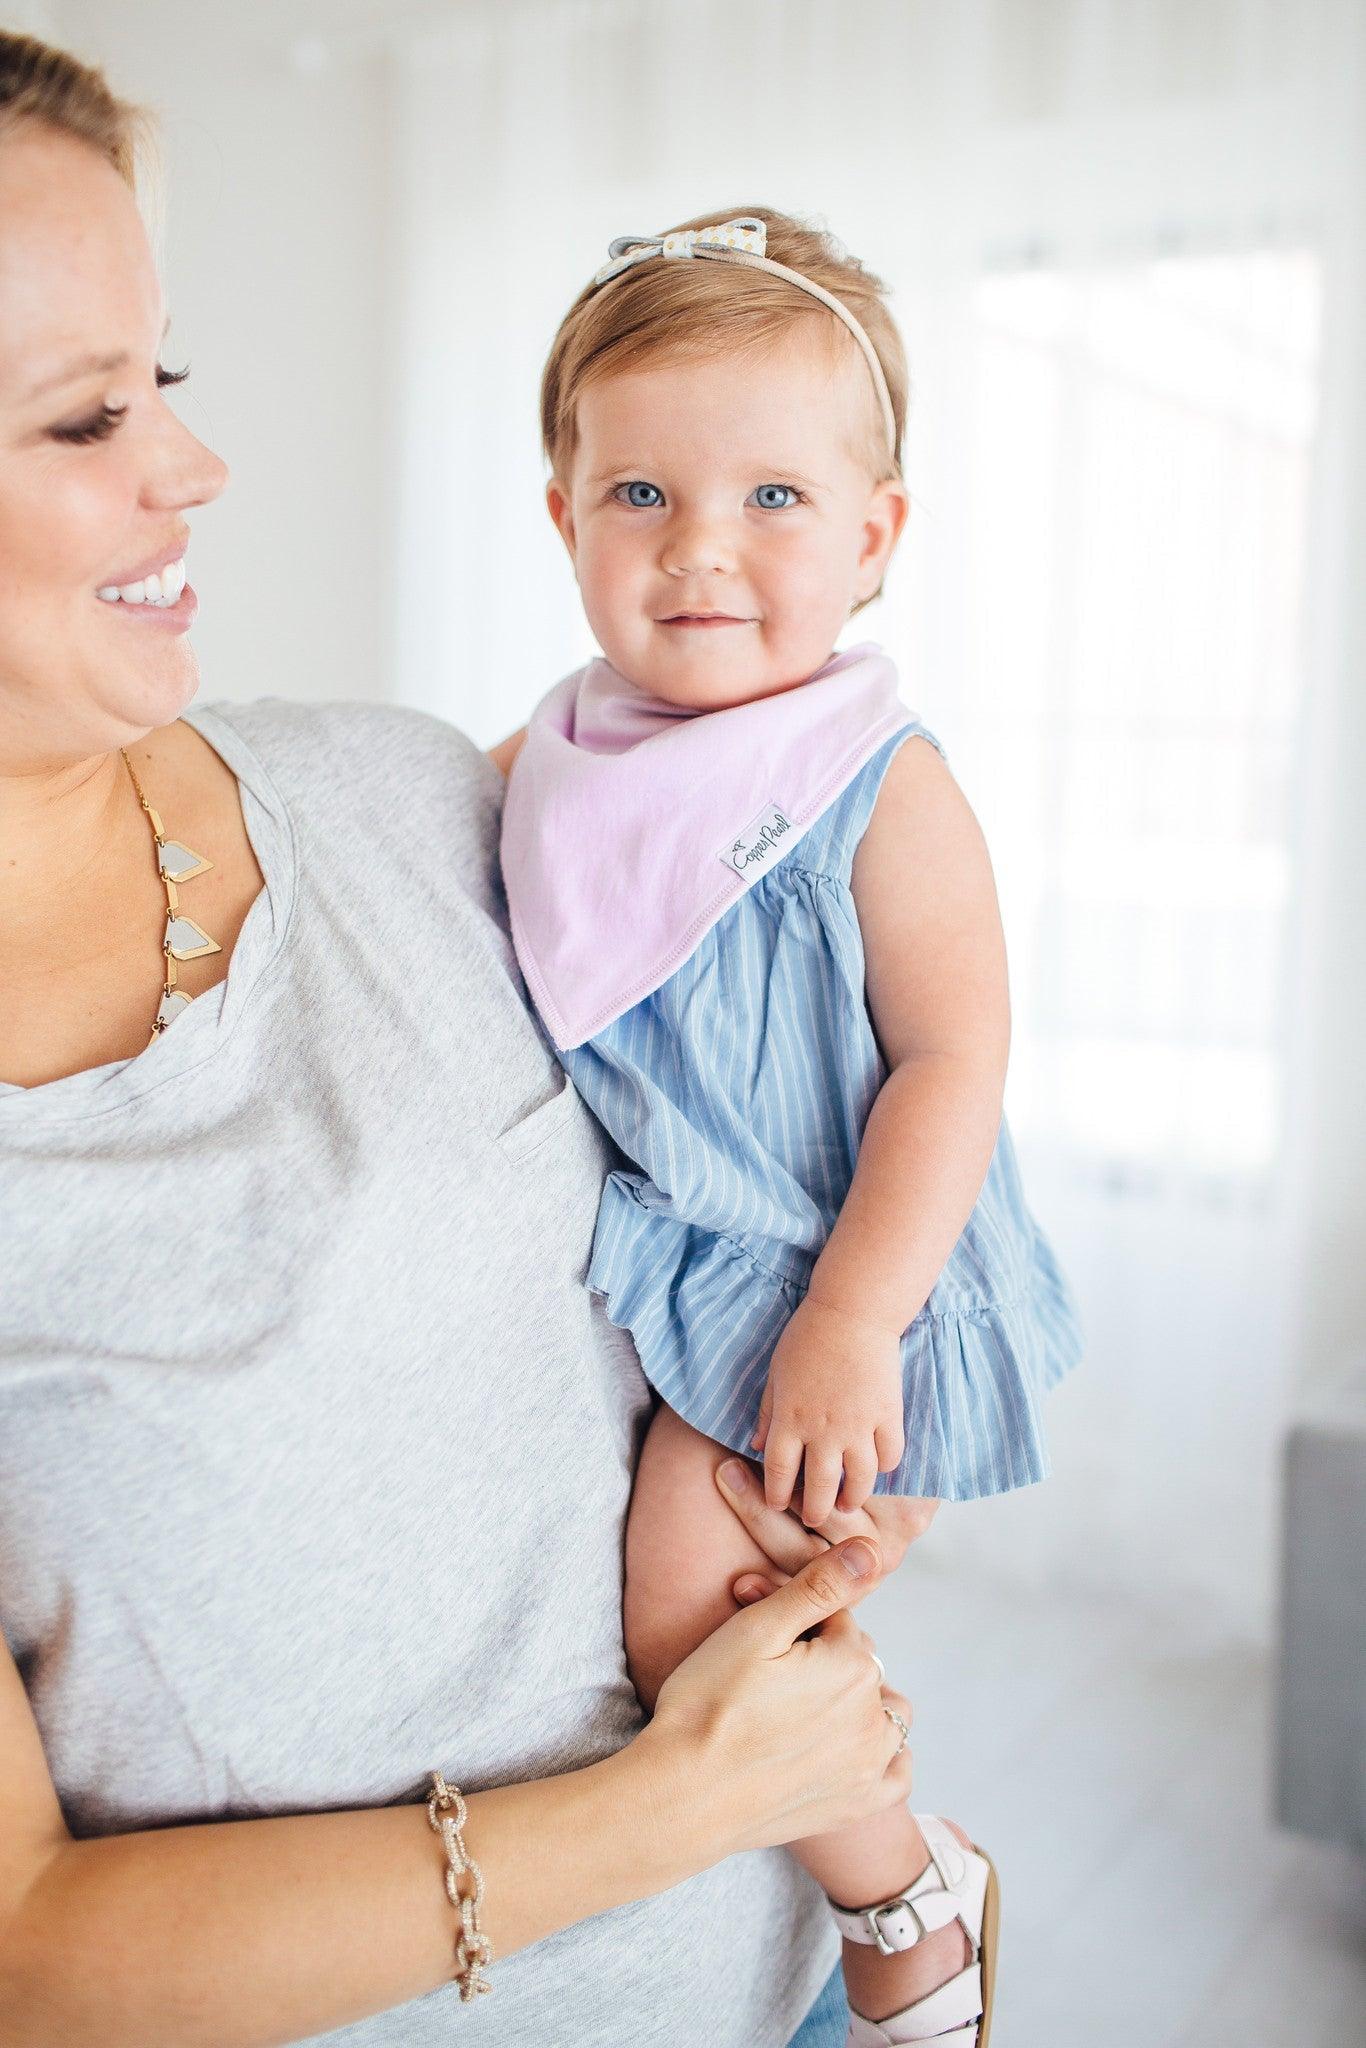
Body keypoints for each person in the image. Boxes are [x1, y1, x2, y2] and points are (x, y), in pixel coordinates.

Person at [0, 37, 921, 2048]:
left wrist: (797, 1454)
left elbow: (715, 1207)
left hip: (789, 1988)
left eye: (172, 379)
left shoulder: (428, 802)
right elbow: (24, 1954)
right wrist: (675, 1799)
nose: (189, 468)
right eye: (82, 418)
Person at [497, 208, 1085, 2046]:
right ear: (564, 516)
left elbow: (952, 1067)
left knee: (694, 1607)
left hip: (862, 1281)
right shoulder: (556, 764)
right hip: (704, 1260)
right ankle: (839, 1860)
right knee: (735, 1616)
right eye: (641, 495)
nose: (699, 553)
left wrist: (850, 1326)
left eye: (770, 498)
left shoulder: (869, 777)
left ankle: (905, 1901)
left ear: (871, 536)